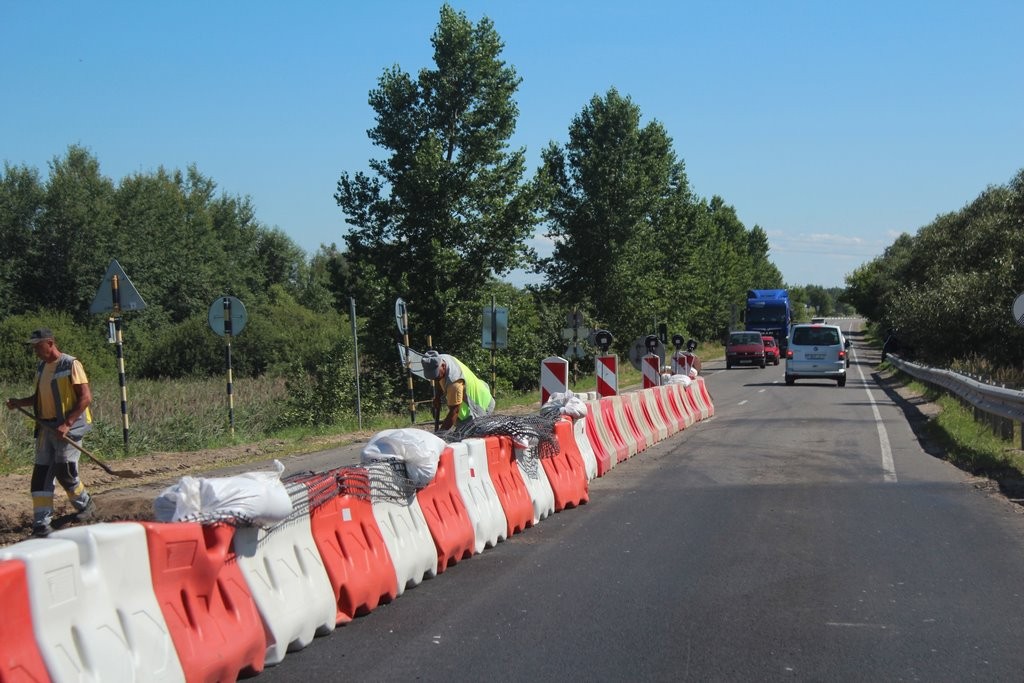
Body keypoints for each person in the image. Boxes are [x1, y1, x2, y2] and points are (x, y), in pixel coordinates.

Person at [5, 328, 97, 537]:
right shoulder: (42, 367)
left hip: (68, 428)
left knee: (64, 471)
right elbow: (39, 398)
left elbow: (85, 397)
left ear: (50, 343)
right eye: (34, 347)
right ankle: (41, 523)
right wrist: (21, 403)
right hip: (46, 428)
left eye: (38, 346)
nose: (36, 351)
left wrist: (67, 423)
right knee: (41, 474)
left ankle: (85, 504)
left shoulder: (71, 364)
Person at [420, 350, 495, 430]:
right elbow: (439, 380)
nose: (435, 379)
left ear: (443, 366)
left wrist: (440, 435)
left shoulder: (454, 383)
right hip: (477, 396)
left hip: (480, 406)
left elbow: (454, 412)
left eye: (436, 375)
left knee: (470, 437)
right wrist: (438, 397)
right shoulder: (442, 358)